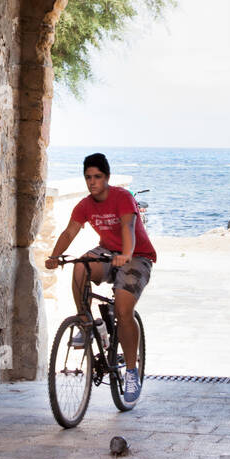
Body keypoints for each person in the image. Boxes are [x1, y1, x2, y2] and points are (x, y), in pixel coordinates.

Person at [45, 152, 156, 403]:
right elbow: (69, 231)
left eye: (97, 177)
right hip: (108, 252)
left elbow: (128, 227)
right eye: (88, 177)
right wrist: (54, 256)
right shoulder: (85, 205)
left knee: (123, 309)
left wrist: (126, 254)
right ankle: (86, 322)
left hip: (137, 254)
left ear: (107, 177)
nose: (92, 182)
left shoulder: (122, 197)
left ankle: (131, 372)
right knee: (80, 266)